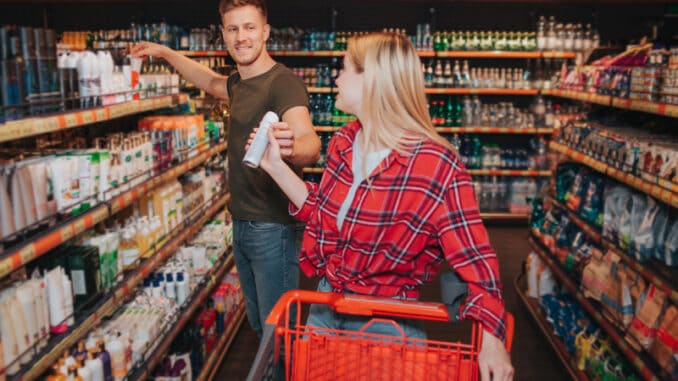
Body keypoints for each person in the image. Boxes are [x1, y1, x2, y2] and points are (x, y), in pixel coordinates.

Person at [255, 32, 514, 381]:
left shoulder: (436, 166)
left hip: (386, 323)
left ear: (372, 80)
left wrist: (492, 336)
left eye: (345, 68)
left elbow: (476, 261)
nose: (336, 77)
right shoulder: (345, 142)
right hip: (325, 308)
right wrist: (274, 165)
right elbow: (325, 214)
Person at [131, 0, 321, 339]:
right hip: (243, 224)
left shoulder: (283, 84)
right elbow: (210, 81)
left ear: (265, 32)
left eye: (249, 28)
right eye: (233, 29)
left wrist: (293, 148)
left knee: (278, 334)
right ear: (223, 35)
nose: (241, 37)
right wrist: (166, 53)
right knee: (259, 324)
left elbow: (309, 141)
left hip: (273, 228)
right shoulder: (238, 83)